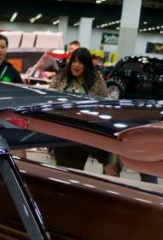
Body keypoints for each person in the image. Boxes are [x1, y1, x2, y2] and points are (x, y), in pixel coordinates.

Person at [47, 47, 119, 176]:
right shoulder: (61, 77)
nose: (76, 65)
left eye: (80, 62)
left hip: (83, 134)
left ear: (87, 64)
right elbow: (49, 100)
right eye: (74, 61)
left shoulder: (97, 80)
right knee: (61, 170)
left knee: (76, 170)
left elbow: (103, 105)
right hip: (61, 131)